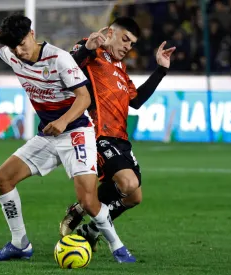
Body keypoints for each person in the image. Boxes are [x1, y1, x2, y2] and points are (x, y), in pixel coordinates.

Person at [0, 14, 135, 263]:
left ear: (32, 34)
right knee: (1, 180)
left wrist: (63, 120)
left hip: (76, 132)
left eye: (22, 44)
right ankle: (20, 244)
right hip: (48, 135)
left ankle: (118, 248)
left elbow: (83, 97)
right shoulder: (12, 53)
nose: (19, 51)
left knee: (88, 201)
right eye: (13, 47)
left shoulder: (59, 58)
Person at [59, 17, 175, 251]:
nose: (127, 47)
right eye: (124, 39)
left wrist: (161, 69)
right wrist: (87, 49)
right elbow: (65, 69)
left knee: (134, 197)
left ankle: (89, 227)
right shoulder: (92, 49)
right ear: (110, 32)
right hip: (97, 134)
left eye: (131, 44)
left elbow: (137, 101)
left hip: (121, 139)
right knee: (128, 182)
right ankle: (82, 208)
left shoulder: (121, 69)